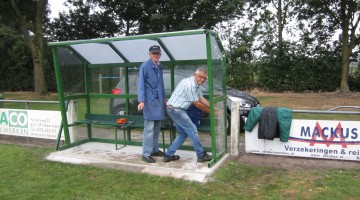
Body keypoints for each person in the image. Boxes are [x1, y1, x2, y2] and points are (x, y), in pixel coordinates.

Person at [163, 67, 219, 163]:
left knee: (183, 133)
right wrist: (212, 112)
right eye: (200, 77)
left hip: (175, 109)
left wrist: (214, 108)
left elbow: (202, 99)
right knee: (192, 130)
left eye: (204, 78)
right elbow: (197, 103)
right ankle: (201, 155)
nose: (202, 79)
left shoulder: (195, 84)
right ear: (195, 75)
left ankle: (168, 155)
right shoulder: (190, 85)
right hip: (176, 109)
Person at [137, 45, 166, 163]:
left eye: (157, 53)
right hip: (149, 101)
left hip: (158, 102)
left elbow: (161, 84)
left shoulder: (159, 66)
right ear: (149, 54)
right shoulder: (145, 66)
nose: (155, 55)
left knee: (157, 127)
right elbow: (141, 84)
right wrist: (141, 100)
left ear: (160, 54)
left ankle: (154, 149)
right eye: (153, 53)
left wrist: (163, 99)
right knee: (149, 129)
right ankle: (146, 153)